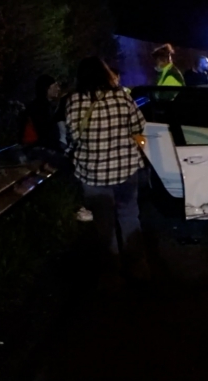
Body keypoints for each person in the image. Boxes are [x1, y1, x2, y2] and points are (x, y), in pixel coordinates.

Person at [65, 57, 150, 292]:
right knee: (129, 216)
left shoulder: (74, 100)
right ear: (105, 74)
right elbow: (138, 126)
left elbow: (73, 136)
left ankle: (111, 275)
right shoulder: (122, 96)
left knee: (104, 225)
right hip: (125, 169)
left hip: (93, 174)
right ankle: (138, 268)